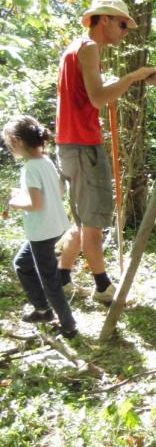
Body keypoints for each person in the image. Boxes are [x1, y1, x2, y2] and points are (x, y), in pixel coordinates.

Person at [55, 0, 156, 304]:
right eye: (122, 23)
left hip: (72, 144)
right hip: (82, 145)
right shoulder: (87, 49)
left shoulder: (76, 49)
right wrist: (131, 77)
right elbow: (99, 98)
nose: (125, 31)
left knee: (84, 219)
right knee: (94, 223)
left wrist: (116, 81)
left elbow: (88, 94)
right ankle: (103, 288)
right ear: (103, 20)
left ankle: (60, 280)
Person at [3, 115, 77, 338]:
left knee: (50, 280)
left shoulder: (30, 168)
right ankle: (42, 309)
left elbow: (34, 204)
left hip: (42, 231)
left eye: (8, 143)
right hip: (55, 226)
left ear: (16, 141)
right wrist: (23, 194)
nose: (8, 147)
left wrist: (13, 201)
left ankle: (68, 325)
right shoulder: (46, 161)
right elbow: (59, 192)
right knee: (22, 264)